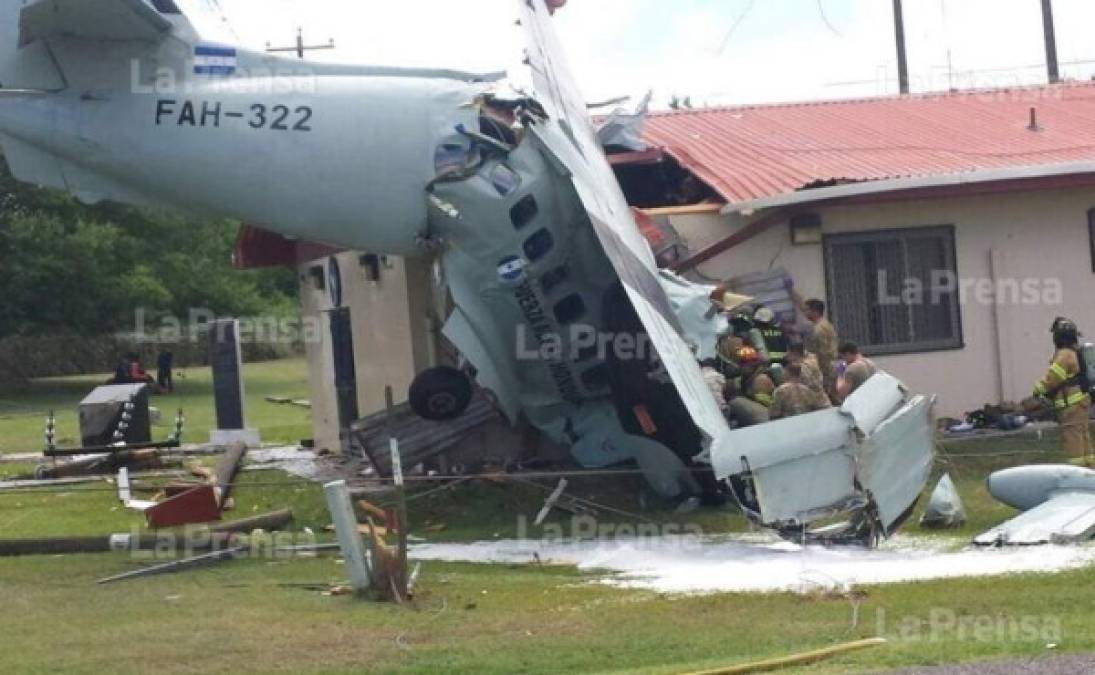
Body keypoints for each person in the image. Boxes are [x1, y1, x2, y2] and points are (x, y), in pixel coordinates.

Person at [1033, 317, 1092, 464]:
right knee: (1083, 437)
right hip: (1081, 403)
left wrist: (1038, 388)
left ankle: (1077, 474)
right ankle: (1090, 471)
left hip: (1071, 406)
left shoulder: (1064, 355)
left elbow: (1054, 377)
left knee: (1073, 440)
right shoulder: (1074, 352)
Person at [793, 293, 839, 397]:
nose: (805, 313)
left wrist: (817, 370)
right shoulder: (825, 325)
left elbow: (822, 352)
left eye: (807, 310)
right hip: (830, 368)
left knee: (830, 398)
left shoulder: (819, 329)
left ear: (815, 312)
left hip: (826, 370)